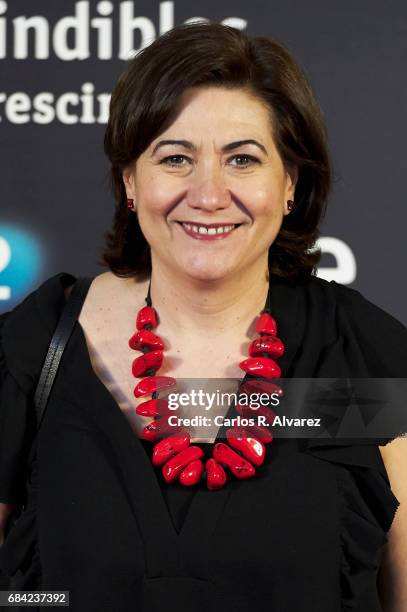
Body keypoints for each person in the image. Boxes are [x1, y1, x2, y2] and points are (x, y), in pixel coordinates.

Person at [0, 21, 406, 612]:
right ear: (130, 181)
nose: (209, 194)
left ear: (289, 182)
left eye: (243, 159)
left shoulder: (361, 356)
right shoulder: (36, 349)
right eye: (175, 158)